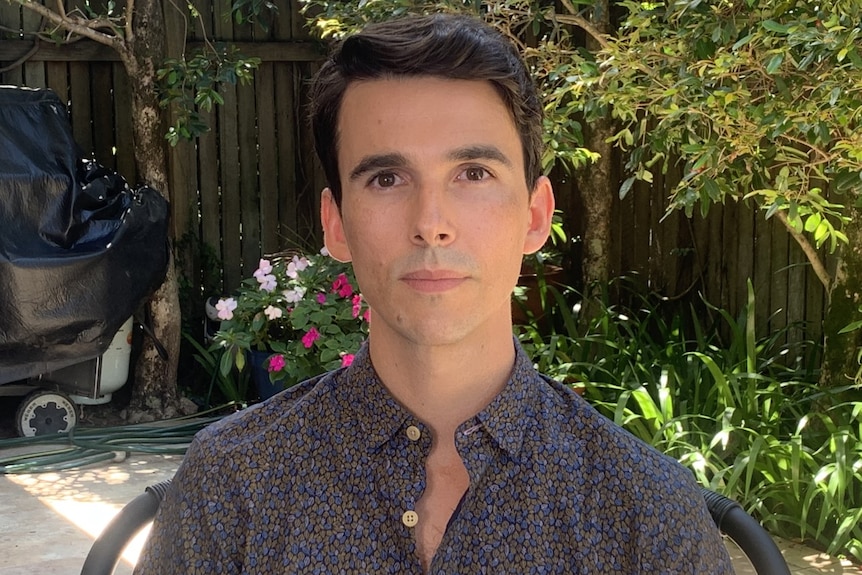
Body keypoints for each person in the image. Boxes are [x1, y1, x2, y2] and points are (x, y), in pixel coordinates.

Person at [135, 13, 734, 574]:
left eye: (473, 174)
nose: (431, 221)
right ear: (336, 223)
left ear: (535, 215)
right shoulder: (229, 485)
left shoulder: (649, 517)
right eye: (387, 178)